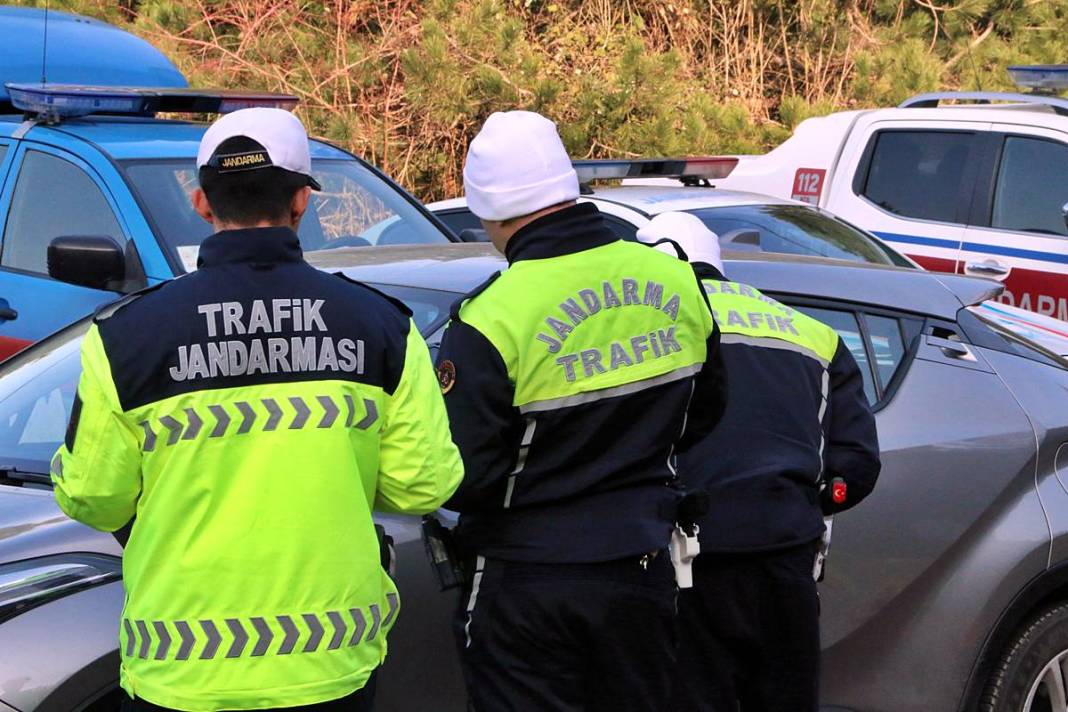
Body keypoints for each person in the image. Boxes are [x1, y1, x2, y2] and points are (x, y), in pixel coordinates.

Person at [50, 107, 464, 712]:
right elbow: (423, 485)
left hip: (181, 678)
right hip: (328, 668)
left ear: (201, 203)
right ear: (302, 201)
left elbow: (94, 497)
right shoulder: (379, 326)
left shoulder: (126, 336)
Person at [436, 111, 727, 711]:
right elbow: (707, 408)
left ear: (487, 209)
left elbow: (464, 475)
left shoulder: (491, 315)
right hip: (641, 568)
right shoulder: (673, 279)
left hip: (527, 581)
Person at [637, 212, 881, 712]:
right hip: (786, 557)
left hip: (683, 562)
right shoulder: (812, 334)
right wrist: (799, 502)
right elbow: (854, 466)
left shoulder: (646, 333)